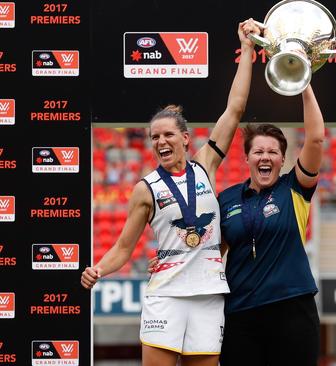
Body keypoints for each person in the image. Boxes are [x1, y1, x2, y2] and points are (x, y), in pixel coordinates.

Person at [80, 19, 259, 366]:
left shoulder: (205, 165)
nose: (161, 141)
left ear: (186, 138)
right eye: (155, 137)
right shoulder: (145, 189)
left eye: (168, 135)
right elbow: (122, 247)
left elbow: (235, 109)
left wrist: (247, 49)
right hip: (167, 294)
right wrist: (98, 270)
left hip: (209, 294)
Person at [217, 83, 325, 365]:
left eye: (273, 152)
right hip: (241, 314)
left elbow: (315, 139)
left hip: (292, 310)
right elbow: (212, 253)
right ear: (247, 158)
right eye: (258, 152)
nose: (265, 157)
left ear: (282, 159)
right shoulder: (227, 199)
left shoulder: (295, 187)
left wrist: (304, 86)